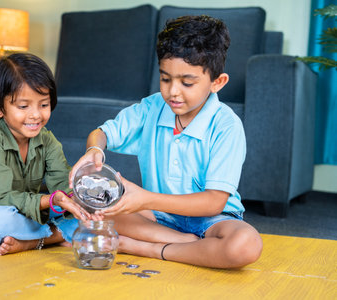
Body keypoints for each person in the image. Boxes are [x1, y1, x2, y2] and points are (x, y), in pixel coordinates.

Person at [69, 15, 263, 269]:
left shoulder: (227, 125)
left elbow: (214, 202)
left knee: (245, 245)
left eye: (187, 82)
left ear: (217, 82)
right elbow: (103, 132)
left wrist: (146, 199)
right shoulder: (152, 107)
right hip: (157, 218)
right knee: (85, 202)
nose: (173, 91)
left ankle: (146, 248)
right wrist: (94, 149)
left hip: (213, 219)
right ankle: (185, 244)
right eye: (165, 78)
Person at [0, 53, 92, 256]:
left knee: (91, 214)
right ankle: (54, 236)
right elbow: (3, 198)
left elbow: (61, 182)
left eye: (44, 104)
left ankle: (30, 241)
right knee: (0, 222)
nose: (35, 115)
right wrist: (50, 202)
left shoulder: (47, 140)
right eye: (23, 106)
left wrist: (78, 197)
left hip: (28, 212)